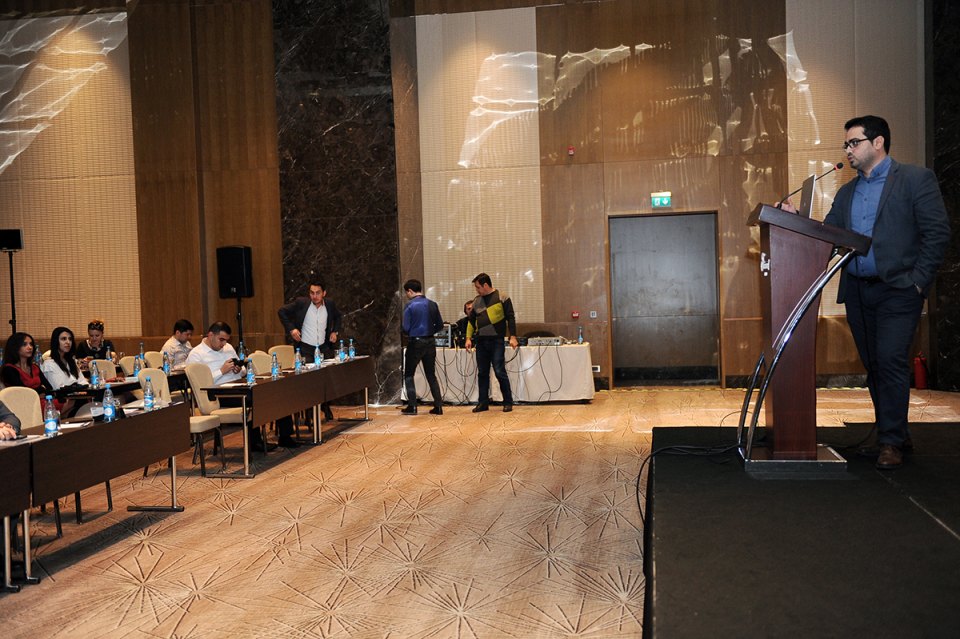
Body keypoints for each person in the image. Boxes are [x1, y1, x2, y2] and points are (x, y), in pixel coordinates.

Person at [822, 115, 950, 470]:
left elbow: (937, 232)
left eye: (854, 142)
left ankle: (890, 442)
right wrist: (792, 219)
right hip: (857, 291)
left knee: (891, 360)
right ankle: (896, 432)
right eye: (846, 144)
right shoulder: (846, 192)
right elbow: (828, 234)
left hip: (898, 289)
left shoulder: (914, 179)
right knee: (875, 365)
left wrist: (918, 281)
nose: (848, 150)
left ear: (878, 142)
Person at [277, 278, 343, 421]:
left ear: (324, 293)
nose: (314, 296)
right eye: (312, 293)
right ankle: (309, 413)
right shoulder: (301, 303)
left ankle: (325, 406)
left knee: (326, 380)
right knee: (308, 382)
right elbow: (281, 311)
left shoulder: (330, 305)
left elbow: (338, 317)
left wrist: (335, 332)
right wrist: (292, 329)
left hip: (323, 347)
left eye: (318, 293)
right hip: (305, 348)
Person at [464, 273, 518, 412]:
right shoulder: (476, 301)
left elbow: (510, 318)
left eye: (478, 287)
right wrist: (468, 338)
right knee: (482, 372)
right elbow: (471, 321)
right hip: (481, 341)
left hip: (496, 341)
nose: (477, 290)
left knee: (499, 371)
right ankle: (483, 403)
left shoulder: (502, 297)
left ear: (485, 285)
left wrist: (512, 336)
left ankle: (508, 402)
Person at [401, 279, 444, 415]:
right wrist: (429, 331)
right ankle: (438, 406)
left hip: (416, 342)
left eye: (406, 293)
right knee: (431, 374)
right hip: (430, 341)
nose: (407, 295)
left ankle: (412, 406)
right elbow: (440, 325)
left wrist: (412, 333)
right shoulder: (432, 304)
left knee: (409, 374)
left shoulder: (409, 305)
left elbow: (405, 327)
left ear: (410, 291)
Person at [40, 326, 89, 416]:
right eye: (63, 339)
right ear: (56, 341)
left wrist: (78, 388)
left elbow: (83, 382)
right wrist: (77, 388)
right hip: (64, 403)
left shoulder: (71, 361)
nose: (68, 342)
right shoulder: (49, 364)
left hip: (78, 399)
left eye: (70, 339)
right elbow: (58, 387)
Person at [185, 321, 245, 386]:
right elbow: (198, 383)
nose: (224, 343)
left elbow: (244, 371)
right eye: (221, 340)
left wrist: (239, 370)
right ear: (211, 335)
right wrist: (221, 371)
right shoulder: (196, 354)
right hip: (218, 390)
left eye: (226, 340)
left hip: (239, 385)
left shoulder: (228, 347)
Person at [1, 332, 55, 402]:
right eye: (24, 344)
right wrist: (41, 389)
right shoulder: (9, 369)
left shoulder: (35, 367)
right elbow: (23, 392)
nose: (30, 347)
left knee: (66, 401)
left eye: (31, 344)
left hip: (43, 401)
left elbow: (49, 388)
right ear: (15, 347)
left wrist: (39, 391)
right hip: (24, 403)